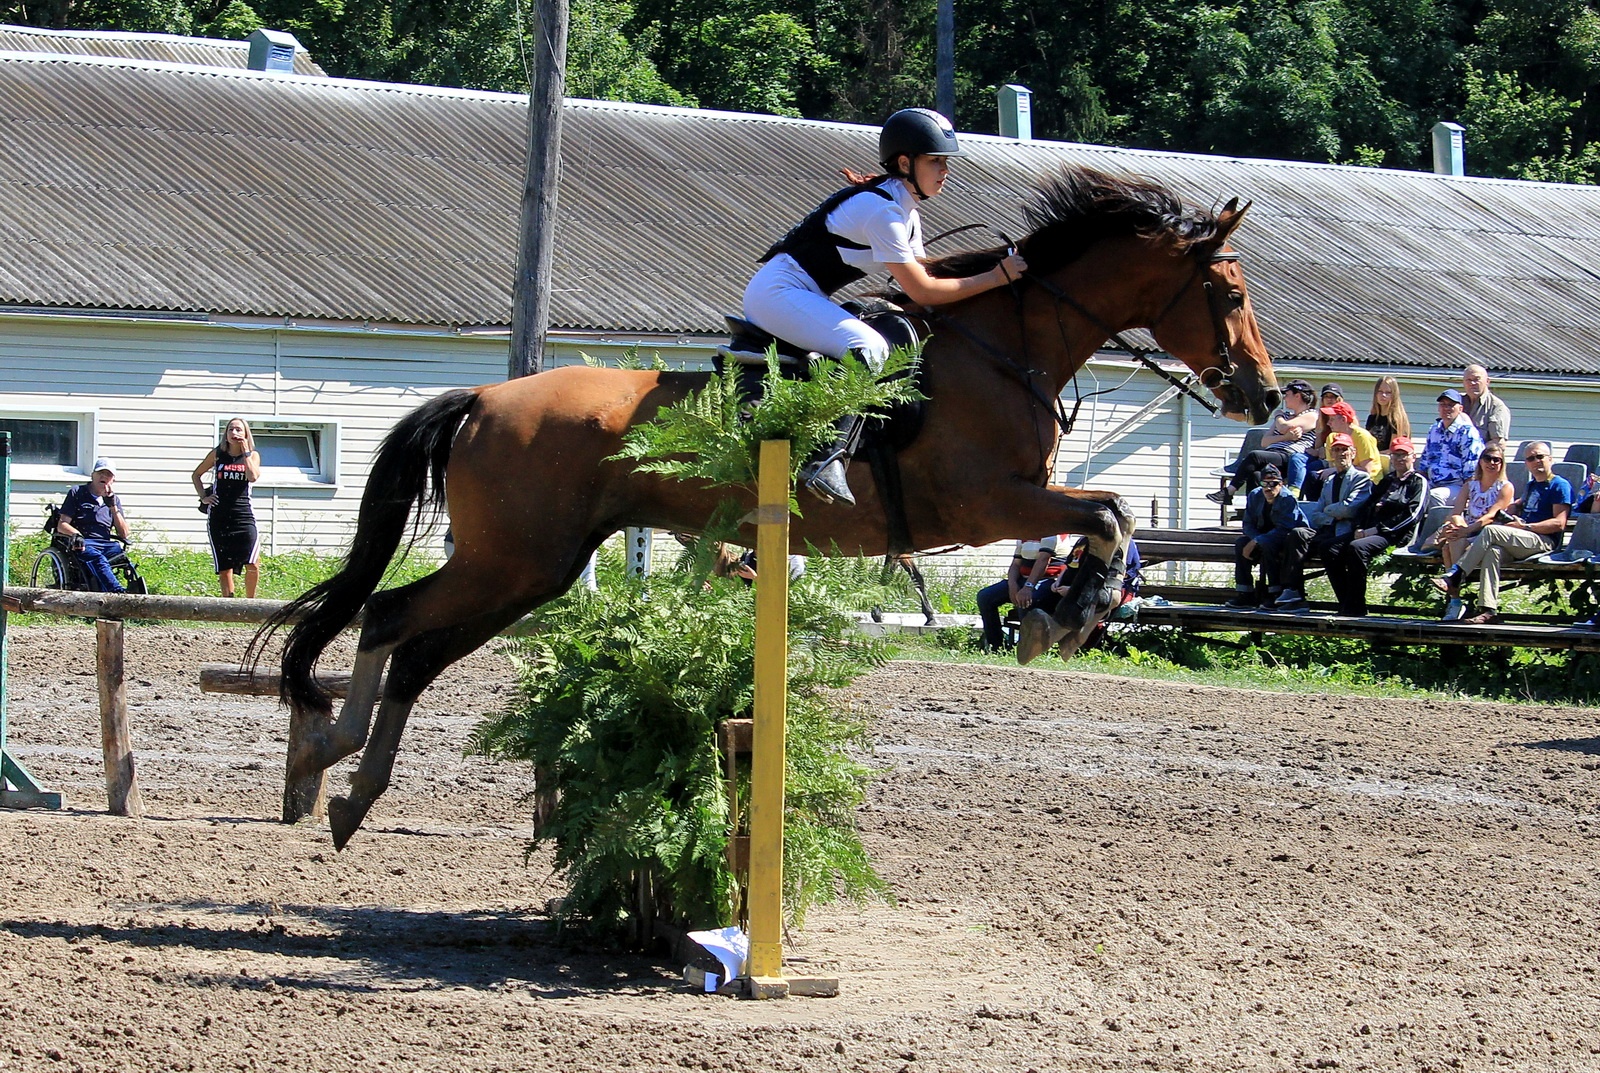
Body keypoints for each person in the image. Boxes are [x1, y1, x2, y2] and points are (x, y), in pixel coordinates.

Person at [743, 108, 1028, 507]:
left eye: (946, 162)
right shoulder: (884, 212)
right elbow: (925, 290)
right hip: (778, 293)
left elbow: (922, 290)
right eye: (936, 161)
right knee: (870, 349)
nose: (945, 171)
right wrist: (998, 276)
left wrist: (991, 277)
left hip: (801, 293)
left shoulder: (905, 211)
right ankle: (826, 458)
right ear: (905, 163)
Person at [1433, 441, 1572, 625]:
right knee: (1493, 551)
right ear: (1526, 464)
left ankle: (1455, 575)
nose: (1536, 461)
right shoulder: (1532, 486)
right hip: (1522, 539)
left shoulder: (1559, 485)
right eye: (1531, 458)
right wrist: (1506, 512)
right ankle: (1488, 610)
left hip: (1543, 540)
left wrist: (1525, 527)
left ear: (1550, 459)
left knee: (1491, 531)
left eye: (1540, 457)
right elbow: (1519, 505)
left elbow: (1559, 523)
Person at [1324, 435, 1428, 616]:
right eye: (1396, 455)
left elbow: (1412, 515)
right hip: (1369, 531)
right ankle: (1346, 602)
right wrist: (1358, 527)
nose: (1399, 459)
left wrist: (1375, 530)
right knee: (1328, 547)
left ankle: (1356, 605)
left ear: (1413, 457)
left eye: (1404, 455)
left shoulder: (1418, 481)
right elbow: (1367, 506)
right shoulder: (1387, 481)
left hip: (1395, 535)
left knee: (1357, 547)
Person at [1275, 433, 1373, 610]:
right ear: (1331, 454)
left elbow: (1349, 509)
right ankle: (1294, 593)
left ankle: (1348, 604)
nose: (1341, 453)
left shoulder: (1362, 478)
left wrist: (1331, 511)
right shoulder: (1329, 480)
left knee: (1327, 548)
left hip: (1347, 532)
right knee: (1297, 534)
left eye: (1344, 449)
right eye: (1336, 450)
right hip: (1327, 528)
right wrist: (1333, 513)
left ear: (1353, 452)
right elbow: (1316, 514)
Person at [1208, 379, 1319, 504]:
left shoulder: (1312, 415)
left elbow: (1283, 427)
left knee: (1255, 456)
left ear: (1297, 395)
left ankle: (1229, 491)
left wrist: (1278, 416)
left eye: (1287, 395)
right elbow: (1265, 442)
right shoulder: (1285, 416)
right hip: (1272, 454)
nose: (1284, 399)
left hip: (1290, 457)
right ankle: (1255, 512)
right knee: (1255, 475)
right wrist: (1285, 437)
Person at [192, 418, 262, 598]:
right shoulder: (217, 454)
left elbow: (253, 477)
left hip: (243, 515)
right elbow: (196, 475)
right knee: (225, 567)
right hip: (219, 516)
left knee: (252, 563)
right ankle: (229, 606)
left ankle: (251, 605)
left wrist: (246, 453)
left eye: (238, 429)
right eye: (231, 429)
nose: (234, 433)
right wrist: (204, 497)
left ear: (246, 433)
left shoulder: (253, 456)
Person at [1225, 465, 1310, 608]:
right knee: (1241, 543)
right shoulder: (1255, 495)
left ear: (1281, 484)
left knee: (1267, 544)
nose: (1269, 488)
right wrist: (1255, 539)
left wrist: (1258, 541)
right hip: (1262, 537)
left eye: (1274, 484)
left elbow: (1285, 528)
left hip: (1285, 540)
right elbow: (1248, 524)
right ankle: (1245, 593)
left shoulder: (1288, 499)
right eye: (1265, 483)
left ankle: (1274, 592)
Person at [1428, 445, 1514, 577]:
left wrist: (1466, 531)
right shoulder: (1470, 485)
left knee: (1450, 545)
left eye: (1496, 460)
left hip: (1491, 531)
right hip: (1468, 530)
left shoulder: (1505, 487)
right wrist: (1458, 526)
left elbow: (1492, 516)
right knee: (1453, 539)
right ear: (1480, 461)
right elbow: (1456, 512)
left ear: (1502, 464)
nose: (1491, 463)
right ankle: (1454, 586)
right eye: (1487, 458)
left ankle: (1454, 581)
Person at [975, 534, 1064, 651]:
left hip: (1047, 581)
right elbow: (1016, 564)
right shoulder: (1025, 533)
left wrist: (1028, 587)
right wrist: (1012, 585)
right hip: (1023, 579)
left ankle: (1026, 649)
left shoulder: (1054, 531)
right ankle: (995, 646)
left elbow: (1043, 560)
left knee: (1026, 601)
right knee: (985, 597)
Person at [55, 459, 131, 593]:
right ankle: (117, 592)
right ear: (92, 475)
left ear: (113, 480)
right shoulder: (77, 493)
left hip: (106, 545)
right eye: (100, 473)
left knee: (122, 559)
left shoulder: (114, 500)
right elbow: (62, 524)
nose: (104, 477)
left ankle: (137, 597)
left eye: (108, 474)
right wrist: (76, 535)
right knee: (98, 558)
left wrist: (112, 506)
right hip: (83, 543)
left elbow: (124, 534)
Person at [1418, 388, 1484, 508]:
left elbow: (1472, 473)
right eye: (1443, 404)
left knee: (1434, 496)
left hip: (1457, 486)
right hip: (1432, 483)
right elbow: (1424, 464)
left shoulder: (1467, 433)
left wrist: (1468, 498)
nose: (1446, 408)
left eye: (1451, 405)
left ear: (1460, 409)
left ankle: (1438, 526)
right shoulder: (1434, 430)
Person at [1304, 399, 1382, 498]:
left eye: (1332, 419)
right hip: (1342, 475)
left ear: (1343, 420)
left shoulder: (1362, 436)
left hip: (1367, 480)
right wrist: (1334, 470)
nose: (1328, 423)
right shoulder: (1332, 437)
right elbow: (1332, 464)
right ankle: (1316, 510)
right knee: (1313, 477)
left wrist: (1334, 470)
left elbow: (1367, 470)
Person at [1461, 365, 1511, 449]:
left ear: (1487, 381)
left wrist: (1474, 451)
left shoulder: (1496, 406)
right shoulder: (1457, 403)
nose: (1472, 383)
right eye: (1468, 380)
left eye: (1477, 379)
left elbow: (1498, 443)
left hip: (1481, 459)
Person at [1364, 375, 1411, 452]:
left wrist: (1374, 455)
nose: (1383, 395)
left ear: (1394, 395)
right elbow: (1367, 444)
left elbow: (1394, 449)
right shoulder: (1372, 418)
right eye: (1380, 391)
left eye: (1388, 392)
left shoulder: (1397, 420)